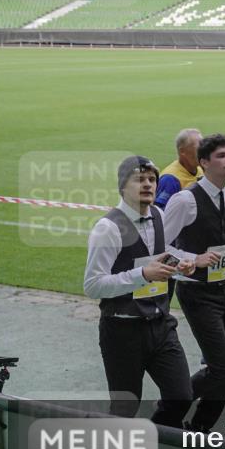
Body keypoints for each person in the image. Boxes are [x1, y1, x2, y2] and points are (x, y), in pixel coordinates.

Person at [162, 134, 225, 432]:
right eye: (221, 155)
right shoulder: (185, 201)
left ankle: (198, 430)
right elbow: (157, 247)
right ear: (204, 163)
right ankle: (170, 409)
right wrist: (192, 258)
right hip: (197, 293)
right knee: (223, 367)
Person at [83, 156, 195, 427]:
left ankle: (155, 444)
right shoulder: (107, 228)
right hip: (122, 332)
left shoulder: (159, 215)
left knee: (181, 396)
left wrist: (180, 264)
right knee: (124, 408)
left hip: (160, 326)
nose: (147, 184)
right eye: (139, 179)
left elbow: (157, 256)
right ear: (123, 186)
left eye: (151, 179)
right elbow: (93, 284)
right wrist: (143, 275)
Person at [154, 128, 202, 210]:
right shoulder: (170, 179)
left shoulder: (201, 169)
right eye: (199, 147)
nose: (204, 151)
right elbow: (160, 213)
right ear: (182, 151)